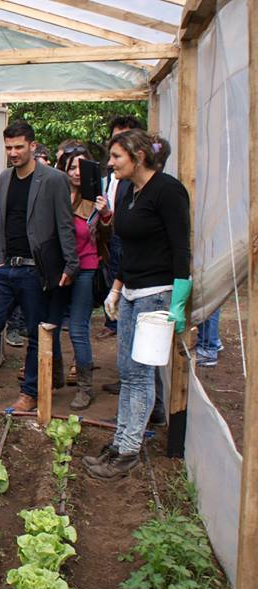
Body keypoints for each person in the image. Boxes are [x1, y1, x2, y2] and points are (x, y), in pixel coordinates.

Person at [86, 129, 191, 480]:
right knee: (127, 371)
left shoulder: (169, 191)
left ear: (139, 157)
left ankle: (129, 450)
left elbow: (180, 248)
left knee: (142, 374)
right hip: (131, 291)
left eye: (116, 156)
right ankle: (120, 443)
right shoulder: (130, 191)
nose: (110, 163)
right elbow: (128, 248)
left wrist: (178, 301)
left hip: (157, 294)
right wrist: (116, 289)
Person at [0, 120, 78, 412]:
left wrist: (70, 265)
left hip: (36, 269)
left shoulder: (53, 179)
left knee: (35, 334)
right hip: (5, 269)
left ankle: (30, 392)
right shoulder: (4, 178)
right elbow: (0, 222)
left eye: (19, 147)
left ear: (33, 146)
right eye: (8, 147)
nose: (13, 152)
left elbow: (65, 225)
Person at [55, 145, 112, 410]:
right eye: (71, 166)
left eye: (81, 166)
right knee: (48, 326)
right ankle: (53, 376)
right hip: (56, 270)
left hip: (85, 269)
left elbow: (108, 239)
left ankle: (85, 388)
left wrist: (105, 216)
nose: (76, 172)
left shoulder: (96, 200)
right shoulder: (55, 193)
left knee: (78, 329)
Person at [98, 115, 144, 340]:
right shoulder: (114, 173)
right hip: (115, 235)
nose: (110, 160)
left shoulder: (149, 187)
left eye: (121, 143)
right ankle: (114, 321)